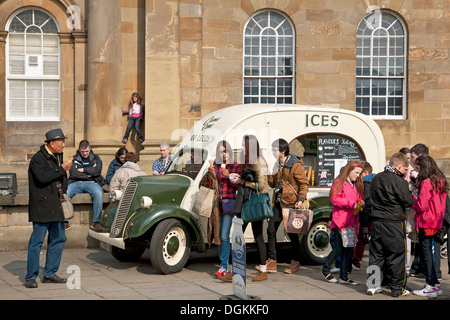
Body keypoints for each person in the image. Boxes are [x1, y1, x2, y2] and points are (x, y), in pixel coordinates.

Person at [25, 129, 72, 288]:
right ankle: (30, 277)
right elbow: (42, 178)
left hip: (57, 206)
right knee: (36, 242)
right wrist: (62, 168)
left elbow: (62, 181)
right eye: (62, 142)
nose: (64, 145)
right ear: (52, 143)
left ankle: (50, 273)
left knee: (58, 240)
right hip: (42, 207)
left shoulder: (58, 157)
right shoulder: (38, 159)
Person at [367, 152, 414, 297]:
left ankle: (372, 286)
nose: (406, 173)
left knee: (376, 254)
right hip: (394, 222)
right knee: (397, 256)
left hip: (377, 221)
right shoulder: (400, 182)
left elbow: (370, 198)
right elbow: (408, 202)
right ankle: (397, 288)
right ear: (400, 166)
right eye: (406, 170)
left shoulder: (376, 178)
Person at [229, 135, 270, 282]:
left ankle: (263, 269)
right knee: (238, 235)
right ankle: (235, 269)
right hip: (245, 203)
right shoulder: (248, 161)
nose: (241, 148)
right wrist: (238, 178)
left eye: (243, 145)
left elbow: (262, 186)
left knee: (258, 236)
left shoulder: (260, 162)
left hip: (254, 203)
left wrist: (242, 181)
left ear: (250, 147)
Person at [266, 139, 309, 274]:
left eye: (275, 150)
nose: (273, 152)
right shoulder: (276, 164)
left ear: (283, 151)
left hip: (291, 202)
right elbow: (273, 184)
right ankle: (272, 261)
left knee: (292, 234)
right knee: (271, 230)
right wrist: (269, 173)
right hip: (278, 202)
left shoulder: (295, 165)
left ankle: (295, 262)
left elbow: (303, 183)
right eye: (272, 149)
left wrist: (301, 199)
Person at [322, 160, 364, 285]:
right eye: (356, 172)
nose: (357, 175)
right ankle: (325, 270)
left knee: (349, 250)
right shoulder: (339, 182)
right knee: (338, 249)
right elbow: (334, 199)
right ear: (349, 170)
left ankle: (344, 276)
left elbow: (359, 198)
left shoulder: (356, 184)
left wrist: (361, 204)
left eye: (359, 173)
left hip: (352, 222)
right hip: (340, 221)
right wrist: (352, 204)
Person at [412, 155, 448, 297]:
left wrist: (411, 201)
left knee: (426, 254)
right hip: (436, 221)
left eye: (418, 168)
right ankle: (435, 284)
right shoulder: (440, 179)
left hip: (426, 222)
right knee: (431, 254)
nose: (418, 171)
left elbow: (421, 205)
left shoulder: (427, 182)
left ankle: (430, 285)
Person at [203, 141, 240, 279]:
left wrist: (229, 175)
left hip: (229, 204)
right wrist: (210, 175)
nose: (223, 154)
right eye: (220, 152)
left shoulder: (235, 166)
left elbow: (238, 187)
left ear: (229, 151)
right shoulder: (216, 166)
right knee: (218, 235)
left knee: (224, 235)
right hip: (217, 205)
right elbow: (209, 185)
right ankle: (222, 264)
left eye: (225, 151)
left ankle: (224, 266)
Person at [67, 140, 104, 232]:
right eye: (83, 152)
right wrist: (88, 174)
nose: (85, 153)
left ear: (90, 149)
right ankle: (65, 221)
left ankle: (96, 222)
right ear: (79, 150)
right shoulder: (73, 158)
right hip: (76, 183)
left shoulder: (96, 158)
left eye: (87, 151)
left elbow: (97, 171)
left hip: (92, 183)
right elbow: (73, 173)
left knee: (99, 193)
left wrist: (83, 169)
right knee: (66, 192)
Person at [352, 161, 375, 270]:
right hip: (374, 216)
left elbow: (366, 204)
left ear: (365, 172)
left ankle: (356, 261)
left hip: (368, 218)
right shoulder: (375, 182)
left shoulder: (366, 184)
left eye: (359, 173)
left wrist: (364, 224)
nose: (357, 176)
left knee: (362, 239)